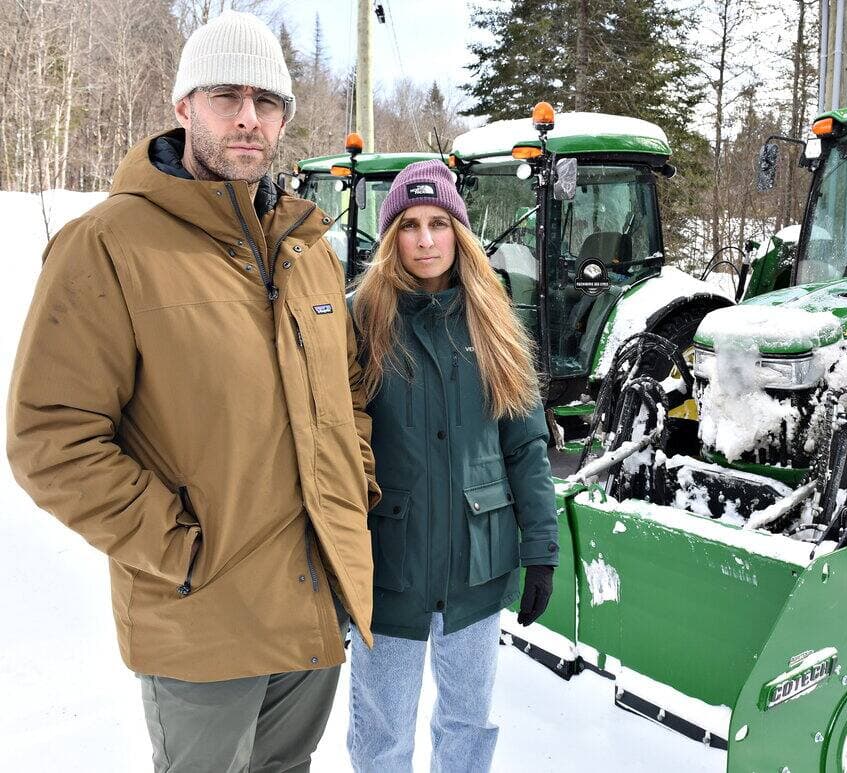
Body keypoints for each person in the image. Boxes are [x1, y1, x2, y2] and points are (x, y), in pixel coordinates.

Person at [6, 10, 380, 771]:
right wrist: (179, 550)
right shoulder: (108, 244)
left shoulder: (307, 249)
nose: (249, 118)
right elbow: (50, 438)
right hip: (202, 619)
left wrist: (354, 492)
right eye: (226, 96)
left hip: (312, 609)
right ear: (183, 108)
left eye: (267, 102)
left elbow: (345, 392)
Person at [347, 160, 559, 772]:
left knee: (468, 724)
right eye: (409, 225)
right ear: (391, 238)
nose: (425, 239)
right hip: (389, 565)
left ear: (459, 231)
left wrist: (539, 550)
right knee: (381, 732)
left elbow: (525, 447)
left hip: (478, 561)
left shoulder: (494, 321)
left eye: (439, 222)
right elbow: (331, 445)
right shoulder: (360, 320)